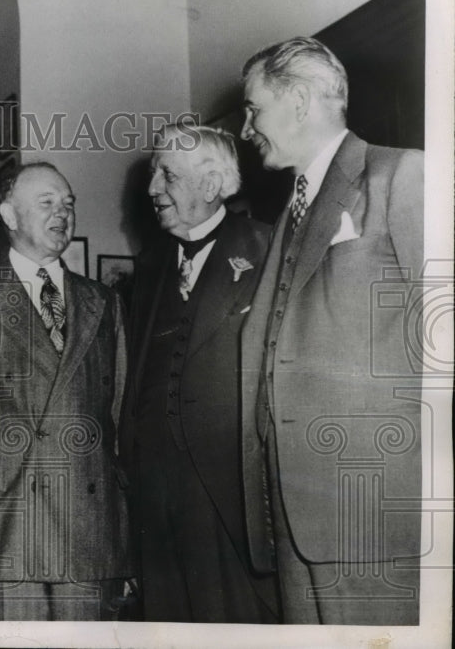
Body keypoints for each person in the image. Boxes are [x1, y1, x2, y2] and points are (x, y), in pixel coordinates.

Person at [239, 36, 423, 624]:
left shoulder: (401, 175)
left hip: (369, 510)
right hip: (294, 512)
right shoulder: (287, 210)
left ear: (296, 101)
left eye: (253, 109)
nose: (246, 129)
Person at [0, 162, 131, 621]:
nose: (62, 213)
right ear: (8, 215)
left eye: (68, 203)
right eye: (46, 202)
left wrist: (122, 546)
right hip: (1, 537)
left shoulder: (103, 302)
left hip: (87, 538)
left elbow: (117, 425)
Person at [119, 124, 277, 622]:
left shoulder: (267, 251)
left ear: (210, 185)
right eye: (151, 175)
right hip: (157, 506)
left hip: (231, 502)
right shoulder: (149, 268)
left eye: (167, 175)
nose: (151, 190)